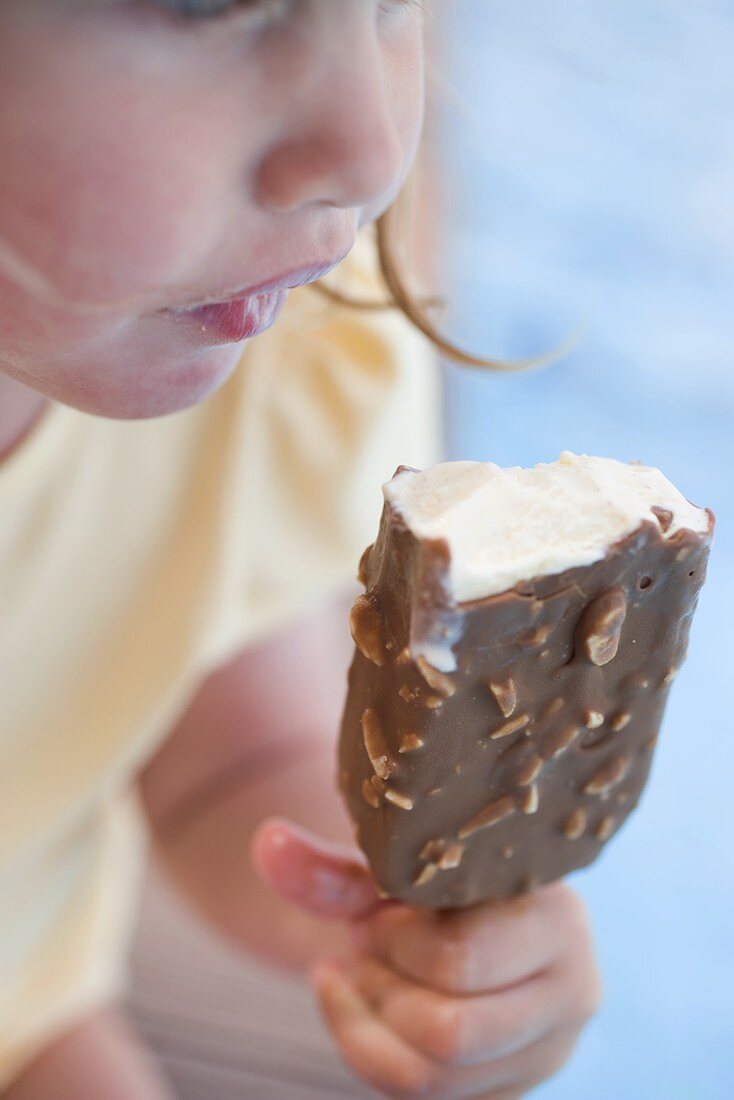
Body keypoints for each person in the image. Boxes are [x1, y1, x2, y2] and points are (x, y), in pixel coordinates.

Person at [0, 2, 601, 1097]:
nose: (368, 147)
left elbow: (229, 754)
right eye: (206, 5)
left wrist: (399, 893)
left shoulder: (276, 344)